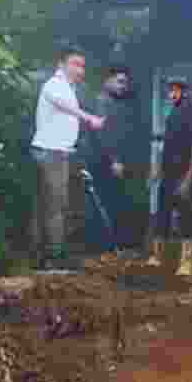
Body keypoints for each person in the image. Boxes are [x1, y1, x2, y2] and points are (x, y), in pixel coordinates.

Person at [30, 45, 104, 270]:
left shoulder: (67, 87)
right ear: (61, 64)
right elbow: (65, 106)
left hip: (58, 153)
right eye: (75, 64)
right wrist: (88, 117)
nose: (80, 70)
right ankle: (53, 257)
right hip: (51, 152)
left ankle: (46, 255)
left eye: (82, 65)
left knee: (52, 205)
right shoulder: (55, 84)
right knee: (55, 206)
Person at [80, 65, 136, 252]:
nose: (123, 86)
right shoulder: (101, 102)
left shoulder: (113, 103)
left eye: (126, 83)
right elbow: (103, 135)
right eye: (120, 81)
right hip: (102, 162)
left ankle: (107, 247)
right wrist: (114, 160)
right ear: (107, 81)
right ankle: (101, 248)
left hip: (108, 161)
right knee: (103, 203)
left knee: (110, 203)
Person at [151, 76, 192, 240]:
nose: (172, 93)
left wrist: (188, 179)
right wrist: (158, 168)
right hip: (168, 173)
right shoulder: (172, 113)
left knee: (186, 217)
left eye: (176, 90)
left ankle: (186, 262)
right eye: (171, 90)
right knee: (162, 214)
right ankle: (158, 257)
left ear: (185, 92)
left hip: (183, 173)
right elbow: (167, 145)